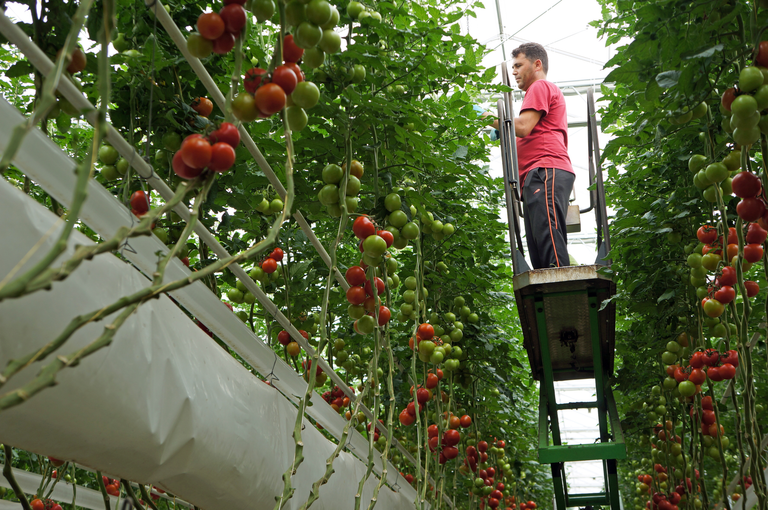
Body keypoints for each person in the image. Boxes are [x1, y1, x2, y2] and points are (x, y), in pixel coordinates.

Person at [507, 42, 575, 269]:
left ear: (537, 64)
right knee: (539, 243)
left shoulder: (539, 87)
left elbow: (524, 126)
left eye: (518, 65)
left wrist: (492, 118)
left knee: (547, 236)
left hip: (545, 169)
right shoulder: (541, 91)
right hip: (537, 173)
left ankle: (560, 283)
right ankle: (552, 283)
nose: (514, 71)